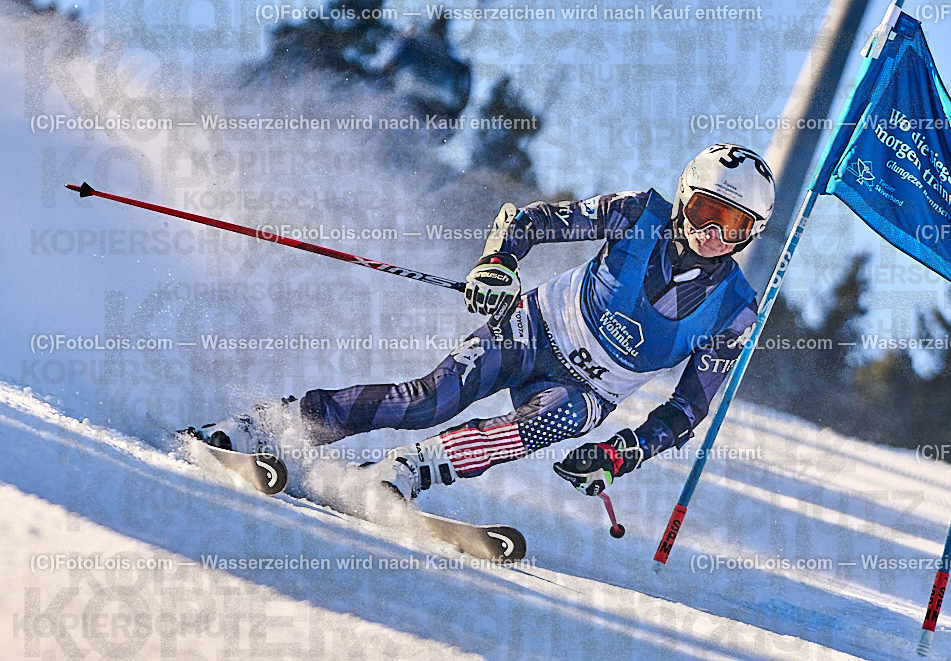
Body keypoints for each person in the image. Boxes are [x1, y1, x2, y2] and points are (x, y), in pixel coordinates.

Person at [189, 143, 775, 500]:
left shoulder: (736, 311)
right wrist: (498, 262)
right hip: (536, 328)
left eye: (735, 226)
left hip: (589, 389)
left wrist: (623, 452)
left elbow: (687, 411)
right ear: (682, 197)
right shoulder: (638, 213)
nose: (713, 235)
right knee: (430, 399)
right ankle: (274, 426)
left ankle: (403, 472)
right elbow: (534, 222)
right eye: (705, 212)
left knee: (552, 419)